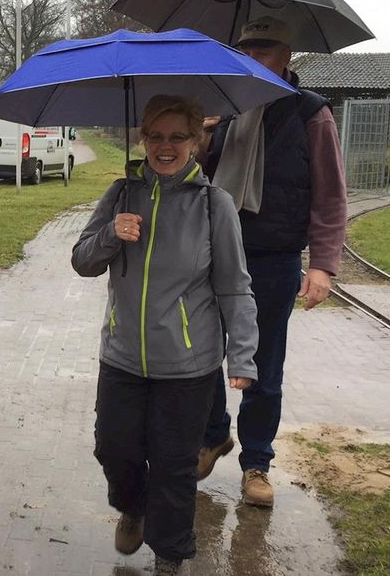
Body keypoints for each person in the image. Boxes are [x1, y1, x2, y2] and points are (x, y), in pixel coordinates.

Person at [72, 95, 258, 576]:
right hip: (122, 357)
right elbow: (83, 262)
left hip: (188, 365)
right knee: (113, 448)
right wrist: (112, 232)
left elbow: (235, 287)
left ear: (197, 141)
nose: (166, 146)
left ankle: (170, 556)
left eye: (178, 136)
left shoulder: (214, 204)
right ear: (143, 139)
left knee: (175, 467)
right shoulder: (120, 194)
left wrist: (242, 356)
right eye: (156, 136)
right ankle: (133, 506)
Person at [198, 16, 348, 507]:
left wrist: (322, 264)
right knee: (200, 352)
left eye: (264, 49)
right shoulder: (223, 107)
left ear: (287, 56)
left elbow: (330, 196)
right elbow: (203, 178)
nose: (253, 56)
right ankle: (214, 433)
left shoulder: (310, 114)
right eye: (246, 48)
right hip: (214, 251)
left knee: (264, 364)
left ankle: (256, 463)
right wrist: (201, 140)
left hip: (274, 257)